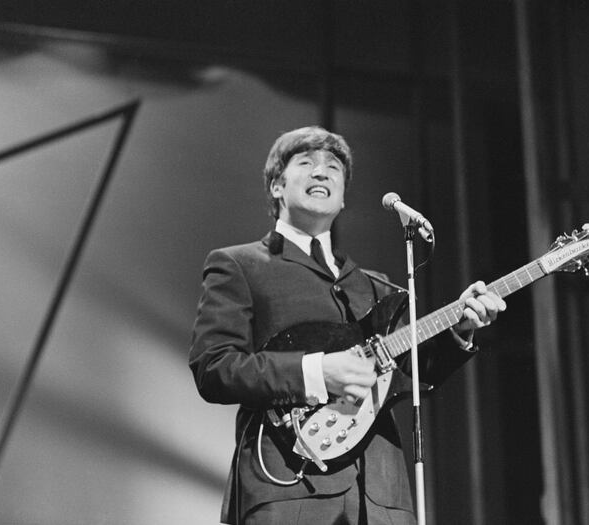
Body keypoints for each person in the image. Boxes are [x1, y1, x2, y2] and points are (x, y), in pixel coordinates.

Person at [189, 126, 506, 525]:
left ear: (342, 197)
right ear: (276, 187)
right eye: (306, 163)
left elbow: (411, 376)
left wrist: (460, 330)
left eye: (334, 167)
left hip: (382, 500)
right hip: (289, 488)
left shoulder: (375, 285)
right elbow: (214, 367)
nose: (322, 173)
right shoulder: (239, 265)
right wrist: (318, 372)